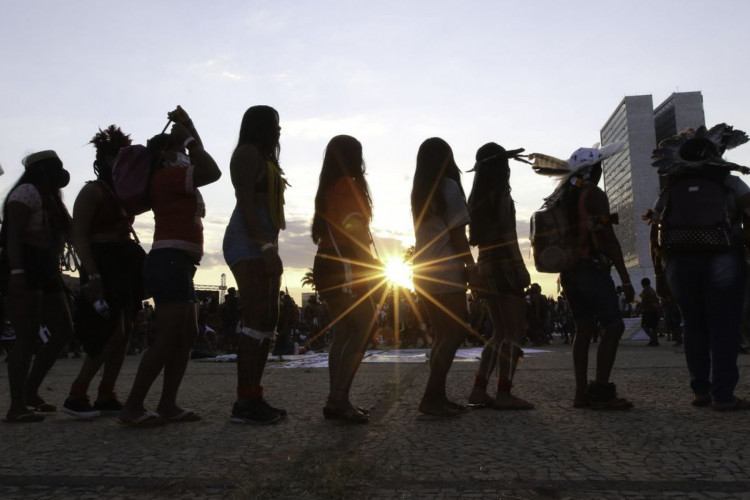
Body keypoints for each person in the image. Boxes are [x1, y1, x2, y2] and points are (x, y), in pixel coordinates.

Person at [120, 106, 221, 426]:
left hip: (179, 263)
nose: (186, 155)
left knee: (186, 334)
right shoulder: (167, 177)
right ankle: (133, 406)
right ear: (166, 154)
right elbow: (211, 169)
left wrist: (188, 126)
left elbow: (199, 158)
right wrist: (189, 137)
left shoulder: (170, 174)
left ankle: (167, 404)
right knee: (168, 337)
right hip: (171, 261)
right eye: (180, 150)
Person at [649, 123, 750, 410]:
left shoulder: (672, 187)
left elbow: (655, 224)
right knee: (725, 325)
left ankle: (700, 391)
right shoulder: (728, 181)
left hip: (679, 260)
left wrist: (659, 270)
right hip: (724, 255)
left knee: (693, 325)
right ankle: (723, 394)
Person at [531, 142, 635, 410]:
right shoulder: (593, 195)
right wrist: (624, 276)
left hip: (569, 273)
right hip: (590, 267)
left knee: (583, 328)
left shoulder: (564, 196)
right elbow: (608, 238)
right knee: (613, 325)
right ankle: (601, 393)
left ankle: (580, 394)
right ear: (594, 169)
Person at [62, 126, 146, 418]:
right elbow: (79, 236)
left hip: (121, 263)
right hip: (101, 262)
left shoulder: (123, 194)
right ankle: (77, 393)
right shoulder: (92, 191)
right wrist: (93, 274)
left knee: (123, 333)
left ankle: (106, 393)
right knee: (111, 331)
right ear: (109, 159)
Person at [222, 105, 287, 424]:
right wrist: (264, 246)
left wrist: (271, 246)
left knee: (269, 319)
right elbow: (247, 203)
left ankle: (254, 395)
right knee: (255, 317)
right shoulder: (247, 153)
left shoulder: (265, 156)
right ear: (260, 126)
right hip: (248, 240)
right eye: (274, 124)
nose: (279, 130)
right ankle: (243, 402)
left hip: (264, 240)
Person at [0, 151, 74, 422]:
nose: (62, 172)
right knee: (26, 336)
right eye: (57, 167)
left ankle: (30, 391)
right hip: (26, 267)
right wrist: (17, 273)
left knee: (63, 330)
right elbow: (12, 236)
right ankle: (16, 406)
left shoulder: (51, 197)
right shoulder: (26, 193)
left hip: (46, 270)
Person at [312, 135, 381, 424]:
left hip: (328, 263)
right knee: (365, 328)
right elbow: (354, 234)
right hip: (345, 266)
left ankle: (336, 398)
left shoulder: (329, 187)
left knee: (344, 333)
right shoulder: (349, 186)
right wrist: (371, 267)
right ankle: (339, 398)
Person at [411, 137, 479, 418]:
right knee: (455, 330)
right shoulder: (448, 187)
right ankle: (431, 395)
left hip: (423, 270)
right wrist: (471, 266)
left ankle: (438, 395)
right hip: (446, 268)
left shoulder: (421, 192)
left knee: (443, 333)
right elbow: (457, 234)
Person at [465, 143, 534, 410]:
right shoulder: (501, 193)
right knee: (514, 331)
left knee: (498, 333)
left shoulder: (477, 197)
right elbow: (508, 232)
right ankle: (504, 392)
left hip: (485, 264)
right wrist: (520, 265)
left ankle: (479, 388)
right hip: (505, 263)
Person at [639, 278, 660, 347]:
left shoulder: (645, 291)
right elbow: (657, 301)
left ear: (643, 283)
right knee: (654, 327)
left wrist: (638, 310)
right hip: (655, 310)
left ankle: (653, 339)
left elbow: (643, 302)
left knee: (645, 326)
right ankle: (655, 341)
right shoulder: (653, 290)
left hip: (648, 310)